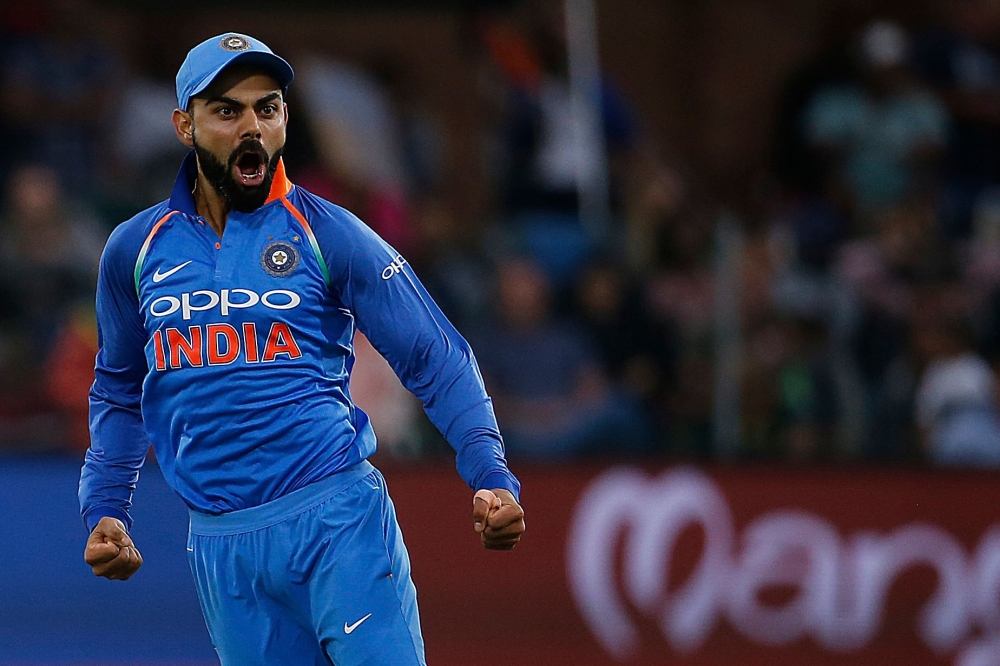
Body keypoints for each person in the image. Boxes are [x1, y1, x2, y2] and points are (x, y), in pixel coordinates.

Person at [78, 33, 525, 666]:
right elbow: (120, 390)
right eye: (227, 111)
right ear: (185, 125)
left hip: (336, 523)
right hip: (221, 546)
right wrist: (106, 508)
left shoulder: (328, 232)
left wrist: (490, 475)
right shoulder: (136, 249)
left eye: (268, 108)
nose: (252, 127)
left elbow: (435, 356)